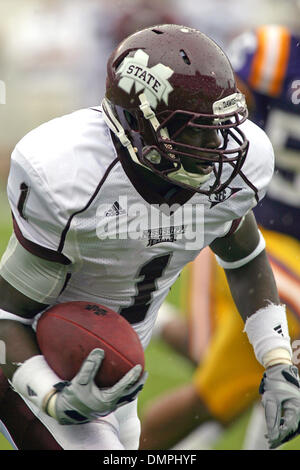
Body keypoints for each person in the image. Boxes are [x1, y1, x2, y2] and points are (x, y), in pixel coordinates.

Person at [0, 24, 299, 451]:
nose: (217, 146)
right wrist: (52, 394)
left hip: (122, 373)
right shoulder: (68, 178)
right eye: (196, 130)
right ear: (139, 126)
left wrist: (277, 361)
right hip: (42, 359)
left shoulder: (233, 168)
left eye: (219, 128)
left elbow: (245, 259)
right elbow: (7, 315)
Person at [139, 23, 300, 450]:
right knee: (223, 373)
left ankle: (151, 314)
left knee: (233, 385)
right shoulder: (273, 52)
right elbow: (216, 126)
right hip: (256, 230)